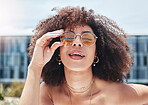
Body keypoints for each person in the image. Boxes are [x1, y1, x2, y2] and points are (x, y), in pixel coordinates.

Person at [19, 6, 148, 105]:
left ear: (97, 51)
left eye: (87, 38)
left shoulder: (114, 93)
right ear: (57, 49)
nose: (77, 43)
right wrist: (35, 68)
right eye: (68, 37)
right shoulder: (48, 92)